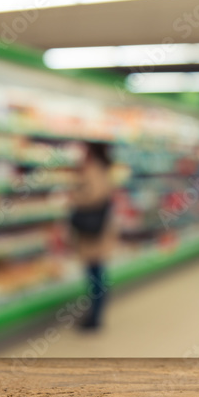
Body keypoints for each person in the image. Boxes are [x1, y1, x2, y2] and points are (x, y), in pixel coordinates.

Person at [69, 141, 116, 330]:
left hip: (92, 232)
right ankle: (95, 314)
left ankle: (95, 318)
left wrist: (75, 197)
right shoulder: (102, 168)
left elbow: (95, 195)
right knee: (97, 274)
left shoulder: (93, 169)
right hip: (97, 229)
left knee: (95, 275)